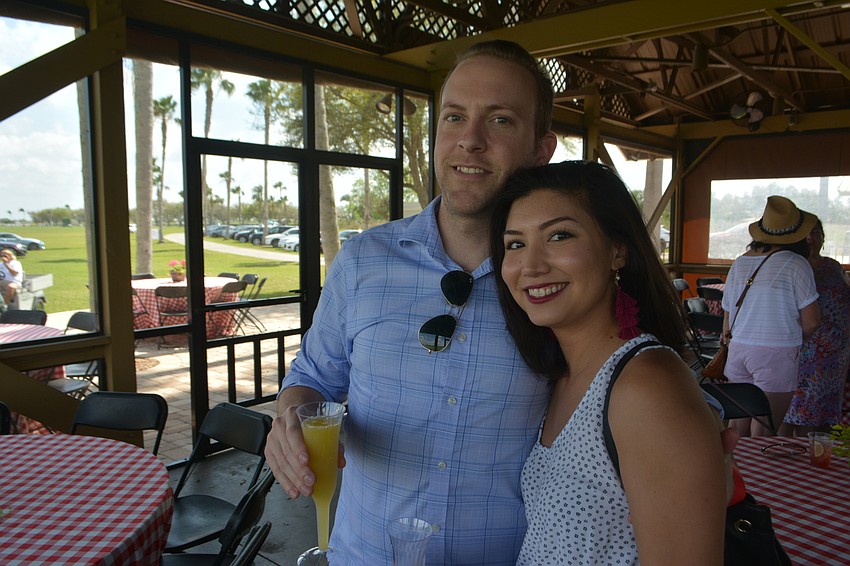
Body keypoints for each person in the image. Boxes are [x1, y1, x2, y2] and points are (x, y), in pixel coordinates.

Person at [264, 40, 733, 564]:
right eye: (454, 117)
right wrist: (290, 419)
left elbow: (639, 384)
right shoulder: (362, 261)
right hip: (364, 555)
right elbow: (313, 377)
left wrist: (700, 434)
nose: (470, 140)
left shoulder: (550, 294)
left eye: (500, 120)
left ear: (541, 149)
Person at [490, 160, 726, 564]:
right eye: (515, 244)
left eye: (559, 236)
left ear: (617, 250)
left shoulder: (646, 385)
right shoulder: (560, 376)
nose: (530, 266)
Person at [722, 195, 820, 437]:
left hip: (738, 349)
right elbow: (812, 322)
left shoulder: (740, 262)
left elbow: (727, 314)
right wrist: (794, 337)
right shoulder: (797, 264)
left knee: (737, 426)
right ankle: (758, 464)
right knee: (765, 428)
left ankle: (734, 464)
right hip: (777, 351)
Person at [781, 218, 850, 436]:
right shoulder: (793, 266)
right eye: (806, 233)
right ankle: (796, 450)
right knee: (799, 410)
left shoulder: (833, 266)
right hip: (806, 352)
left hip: (836, 356)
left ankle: (821, 451)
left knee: (827, 412)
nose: (811, 238)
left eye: (816, 232)